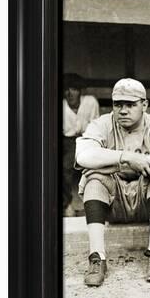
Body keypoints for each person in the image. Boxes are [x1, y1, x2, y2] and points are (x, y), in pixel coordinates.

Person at [75, 78, 150, 286]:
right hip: (113, 202)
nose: (123, 110)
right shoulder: (102, 124)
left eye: (130, 105)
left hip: (146, 202)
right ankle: (97, 257)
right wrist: (127, 158)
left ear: (144, 105)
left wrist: (107, 161)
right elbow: (82, 156)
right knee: (93, 178)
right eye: (118, 104)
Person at [62, 73, 99, 217]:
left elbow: (96, 125)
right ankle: (67, 205)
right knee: (65, 168)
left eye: (74, 89)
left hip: (88, 139)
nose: (70, 93)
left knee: (97, 167)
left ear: (80, 91)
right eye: (66, 89)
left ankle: (95, 204)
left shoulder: (90, 102)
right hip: (68, 141)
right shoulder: (62, 105)